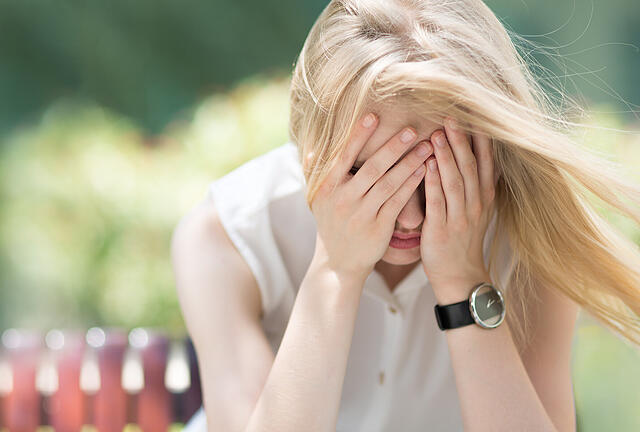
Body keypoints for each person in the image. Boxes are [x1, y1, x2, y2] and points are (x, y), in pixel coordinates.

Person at [171, 1, 640, 431]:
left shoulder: (533, 236)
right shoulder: (228, 235)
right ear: (306, 146)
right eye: (371, 176)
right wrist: (335, 269)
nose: (411, 218)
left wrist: (464, 283)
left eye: (441, 174)